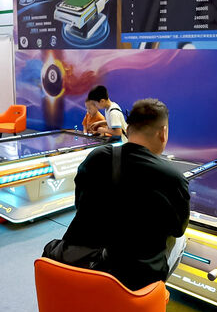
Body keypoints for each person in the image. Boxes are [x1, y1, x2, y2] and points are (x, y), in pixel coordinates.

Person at [60, 98, 190, 291]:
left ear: (128, 129)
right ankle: (153, 293)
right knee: (181, 240)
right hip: (135, 278)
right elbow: (177, 229)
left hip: (82, 262)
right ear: (163, 133)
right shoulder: (173, 177)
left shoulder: (96, 157)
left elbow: (80, 205)